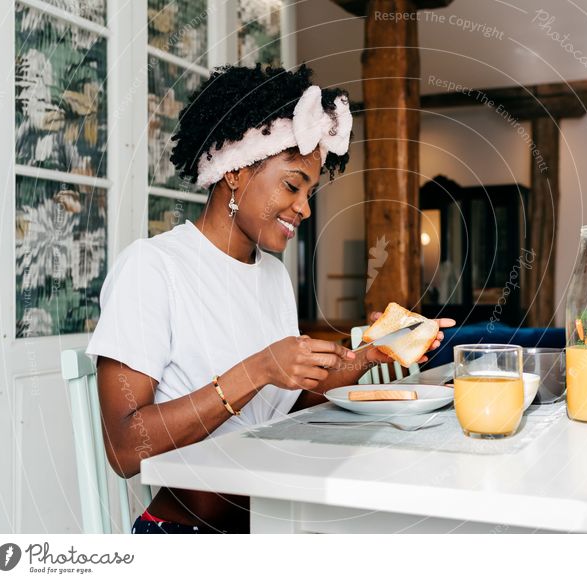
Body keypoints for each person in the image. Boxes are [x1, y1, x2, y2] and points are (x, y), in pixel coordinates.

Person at [86, 64, 453, 534]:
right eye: (291, 185)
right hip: (192, 538)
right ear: (235, 173)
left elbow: (284, 407)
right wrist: (258, 369)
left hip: (277, 524)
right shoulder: (154, 268)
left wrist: (371, 355)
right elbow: (123, 448)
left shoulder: (273, 277)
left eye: (310, 191)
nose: (304, 207)